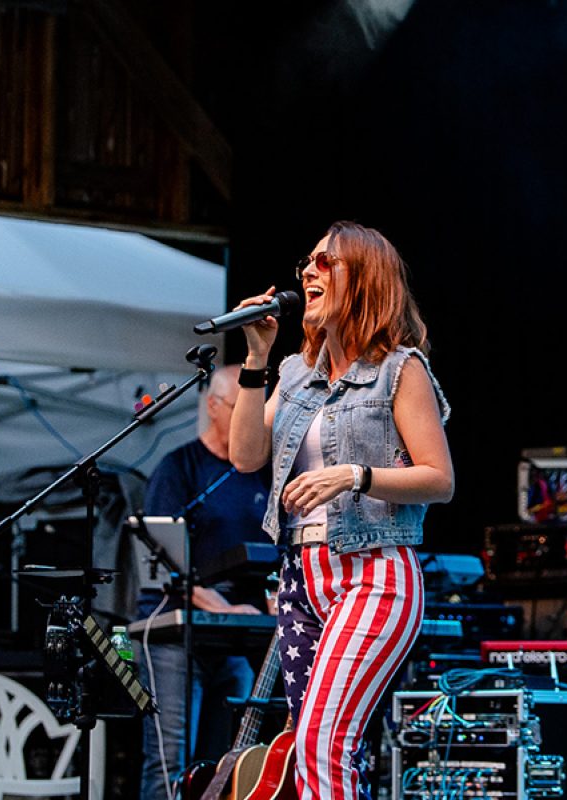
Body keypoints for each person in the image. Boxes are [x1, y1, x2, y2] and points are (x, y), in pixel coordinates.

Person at [229, 220, 454, 799]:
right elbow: (244, 455)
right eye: (307, 262)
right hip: (301, 578)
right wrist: (256, 358)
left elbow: (439, 478)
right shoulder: (295, 375)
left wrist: (356, 475)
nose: (307, 272)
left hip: (373, 573)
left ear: (366, 279)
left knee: (320, 742)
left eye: (326, 263)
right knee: (308, 751)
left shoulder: (399, 371)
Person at [137, 364, 271, 800]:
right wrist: (222, 608)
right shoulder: (179, 469)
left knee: (229, 763)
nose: (253, 415)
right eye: (242, 404)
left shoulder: (261, 473)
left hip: (234, 640)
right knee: (169, 762)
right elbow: (160, 560)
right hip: (176, 637)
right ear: (214, 407)